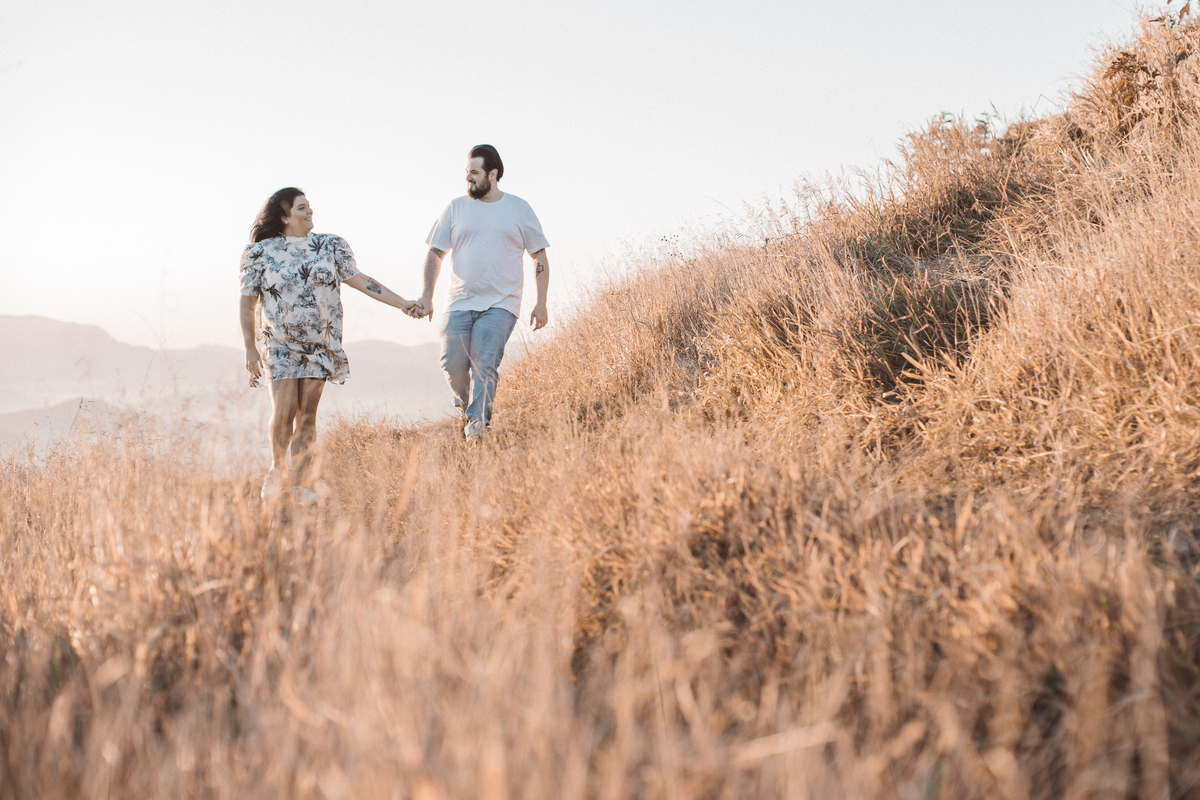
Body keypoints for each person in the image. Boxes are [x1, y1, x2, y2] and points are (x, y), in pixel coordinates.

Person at [239, 187, 416, 502]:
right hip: (278, 343)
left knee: (307, 415)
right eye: (301, 208)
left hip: (320, 344)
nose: (309, 213)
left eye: (309, 206)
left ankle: (298, 484)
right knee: (284, 409)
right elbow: (247, 303)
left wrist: (402, 303)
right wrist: (250, 348)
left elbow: (361, 280)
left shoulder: (331, 246)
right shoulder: (259, 252)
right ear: (284, 217)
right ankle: (277, 471)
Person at [408, 144, 550, 440]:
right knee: (453, 364)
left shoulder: (518, 208)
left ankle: (477, 428)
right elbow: (435, 253)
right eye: (467, 173)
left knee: (484, 362)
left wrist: (541, 302)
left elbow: (539, 256)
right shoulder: (455, 207)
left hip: (501, 303)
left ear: (493, 174)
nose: (468, 178)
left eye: (474, 172)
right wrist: (426, 296)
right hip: (459, 301)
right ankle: (464, 408)